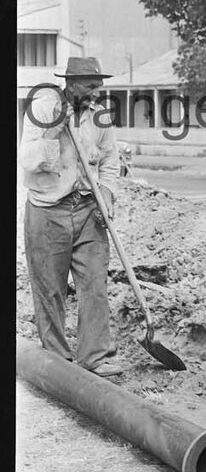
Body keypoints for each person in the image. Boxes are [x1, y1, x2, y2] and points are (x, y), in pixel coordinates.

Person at [19, 56, 123, 375]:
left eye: (99, 87)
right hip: (48, 209)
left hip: (89, 209)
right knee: (50, 288)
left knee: (94, 284)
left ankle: (95, 356)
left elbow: (109, 163)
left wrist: (106, 195)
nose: (96, 93)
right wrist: (53, 132)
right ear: (72, 83)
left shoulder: (100, 116)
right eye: (91, 87)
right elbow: (27, 160)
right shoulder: (43, 109)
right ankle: (57, 361)